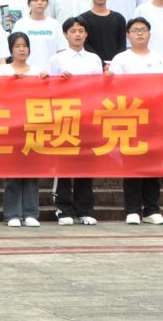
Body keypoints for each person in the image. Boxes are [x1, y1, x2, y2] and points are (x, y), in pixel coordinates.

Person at [108, 17, 163, 225]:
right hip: (130, 117)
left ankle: (151, 209)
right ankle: (132, 210)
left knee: (153, 165)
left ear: (150, 34)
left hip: (155, 119)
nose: (139, 33)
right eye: (135, 30)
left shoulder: (160, 59)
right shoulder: (121, 59)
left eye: (143, 29)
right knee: (131, 164)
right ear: (128, 35)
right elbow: (114, 88)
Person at [47, 16, 105, 226]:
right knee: (63, 164)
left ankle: (84, 209)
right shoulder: (57, 59)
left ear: (86, 34)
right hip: (65, 116)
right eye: (73, 31)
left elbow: (99, 87)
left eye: (81, 31)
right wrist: (60, 82)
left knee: (85, 164)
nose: (77, 34)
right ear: (65, 35)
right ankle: (63, 209)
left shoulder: (93, 59)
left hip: (87, 117)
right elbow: (48, 88)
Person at [0, 32, 47, 227]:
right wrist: (9, 81)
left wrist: (44, 80)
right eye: (17, 46)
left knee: (31, 169)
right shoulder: (2, 71)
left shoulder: (37, 71)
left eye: (24, 46)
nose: (21, 49)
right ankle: (12, 214)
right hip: (10, 125)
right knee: (12, 170)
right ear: (11, 49)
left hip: (32, 125)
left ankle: (30, 213)